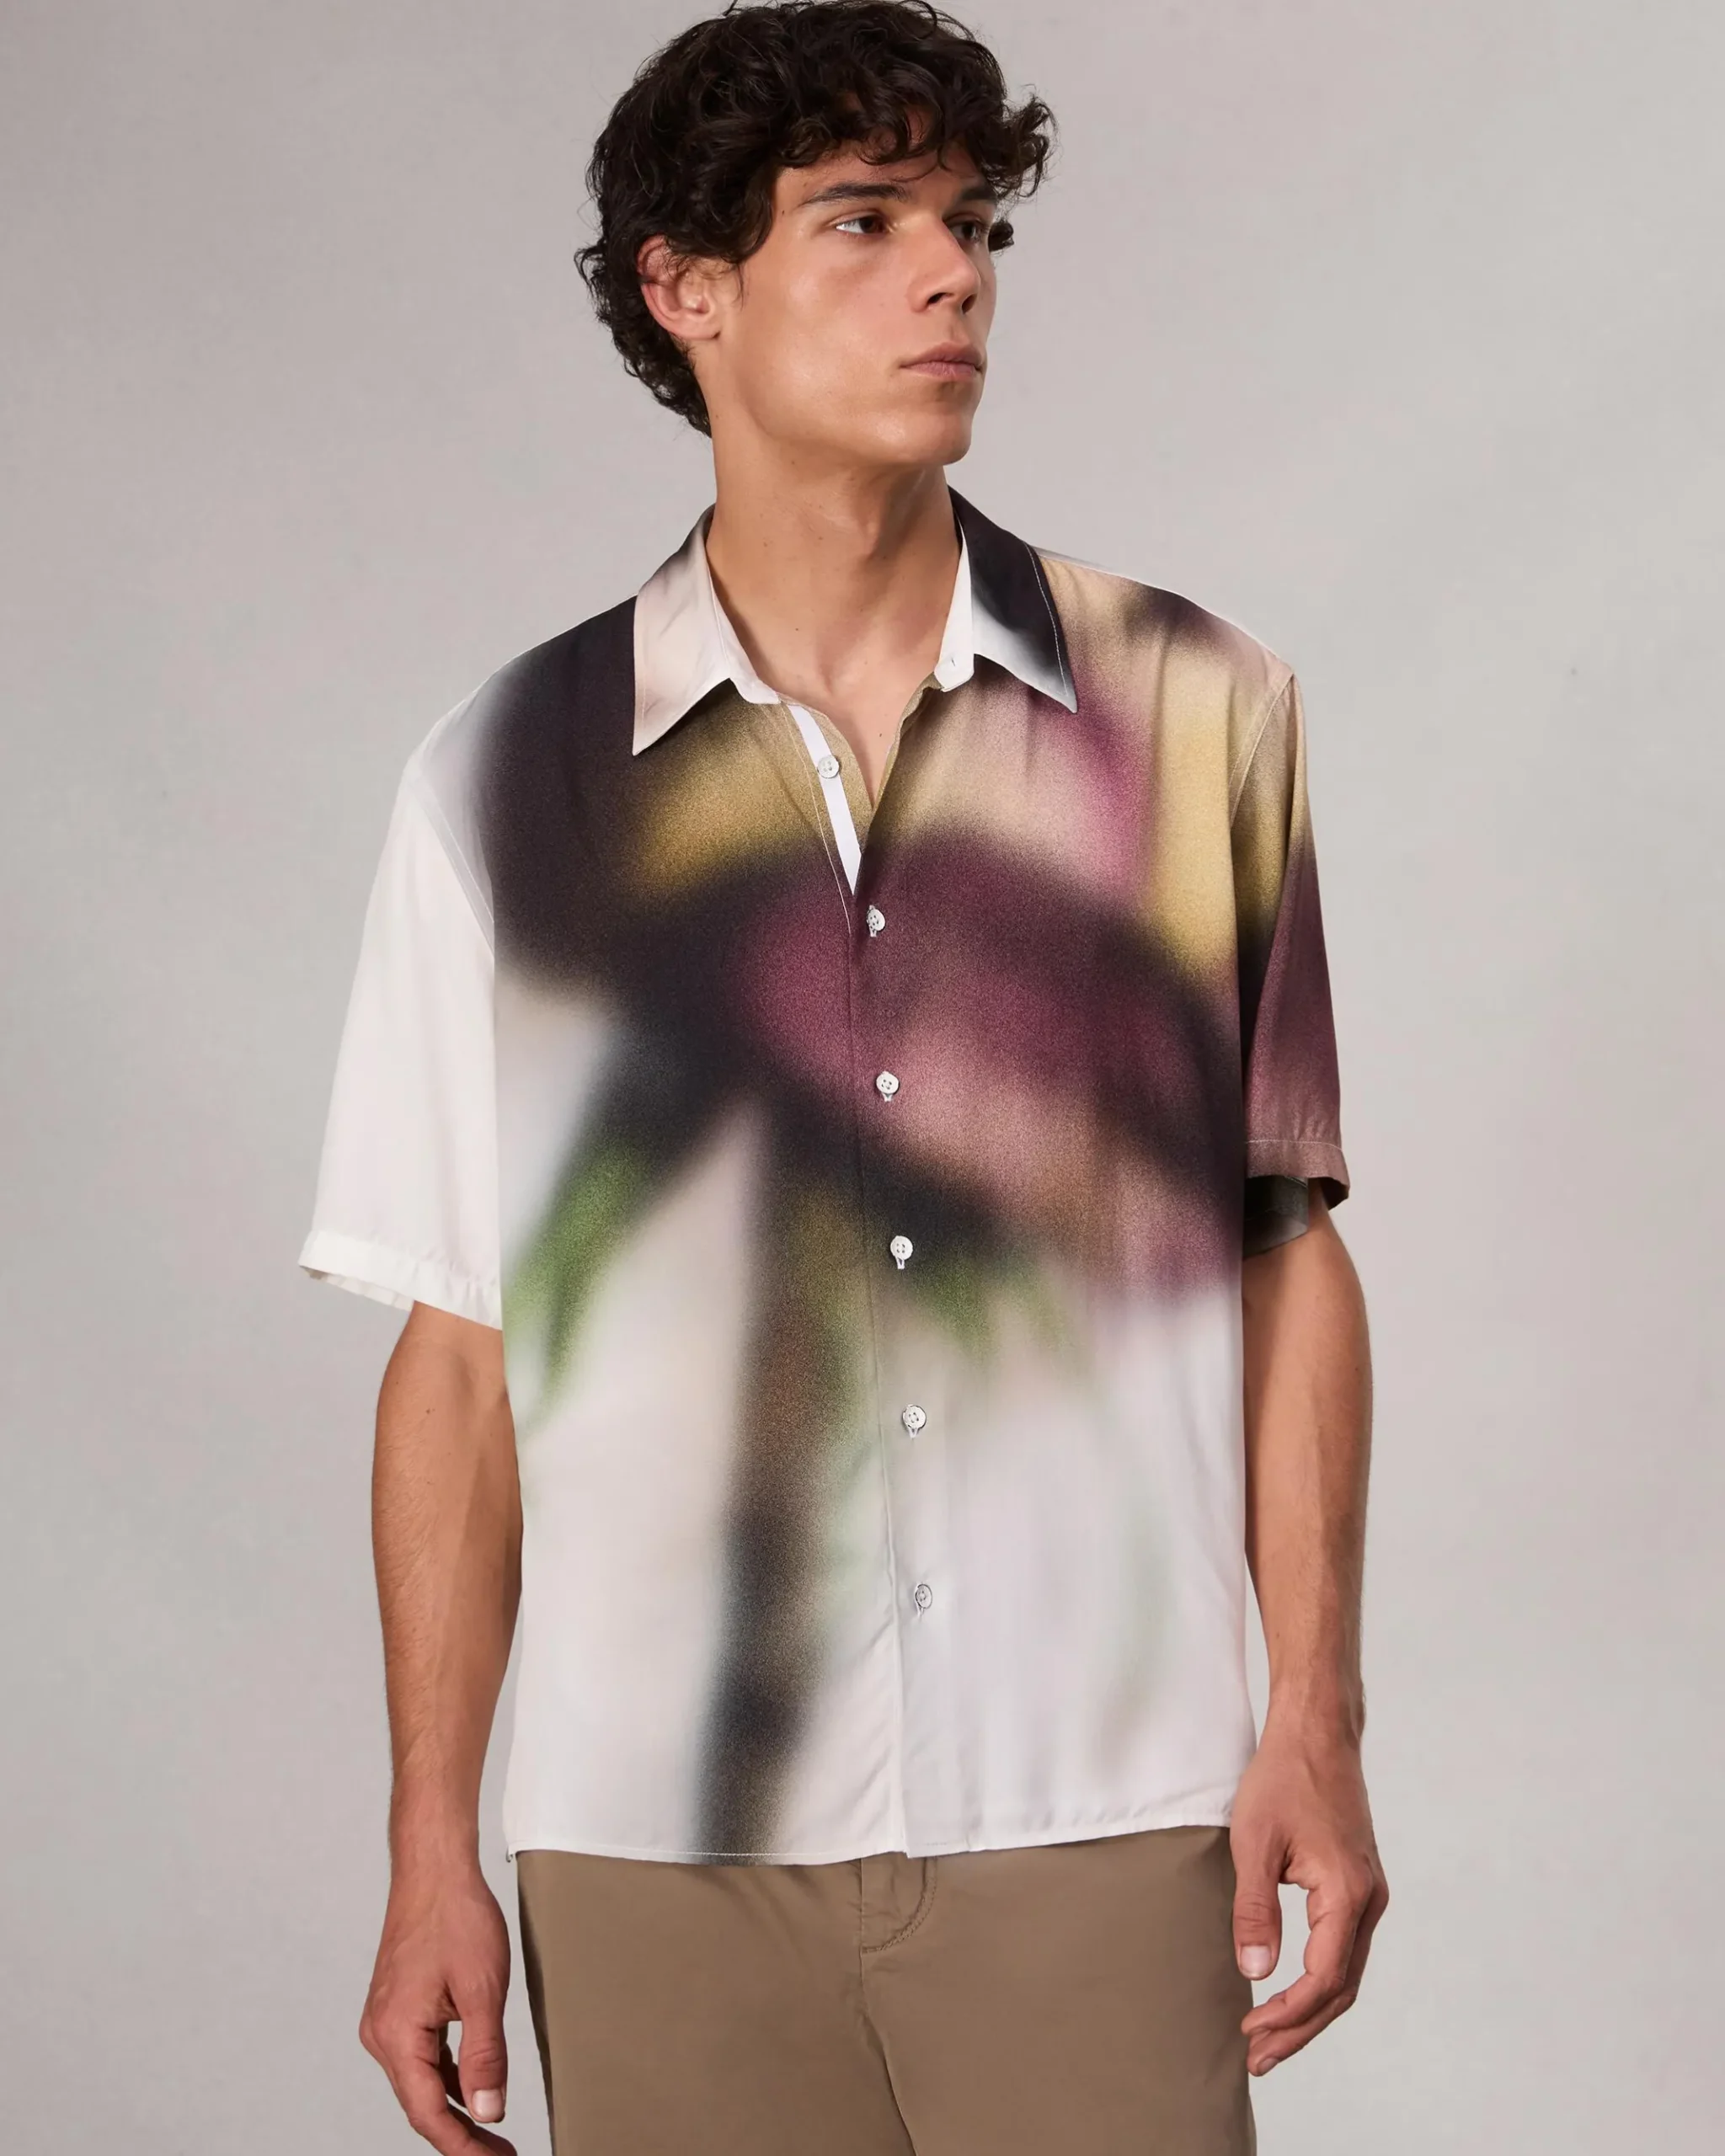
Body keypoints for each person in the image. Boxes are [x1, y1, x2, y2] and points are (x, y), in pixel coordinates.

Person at [299, 3, 1388, 2149]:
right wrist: (432, 1840)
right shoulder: (502, 779)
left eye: (974, 223)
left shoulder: (1194, 709)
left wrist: (1318, 1723)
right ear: (685, 289)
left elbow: (1280, 1245)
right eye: (867, 221)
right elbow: (460, 1349)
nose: (954, 274)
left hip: (1098, 1802)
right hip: (655, 1838)